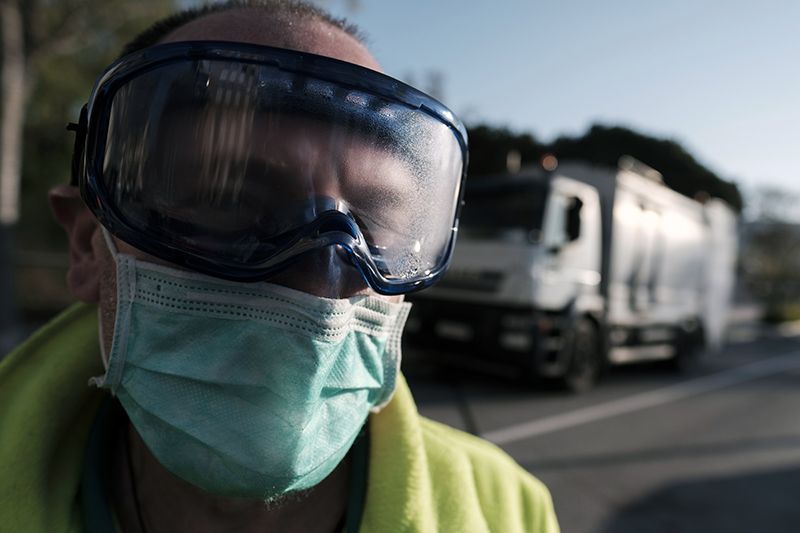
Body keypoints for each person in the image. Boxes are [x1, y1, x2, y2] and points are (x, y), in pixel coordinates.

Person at [0, 1, 560, 532]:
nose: (323, 281)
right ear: (84, 247)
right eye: (225, 202)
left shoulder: (511, 509)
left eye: (376, 222)